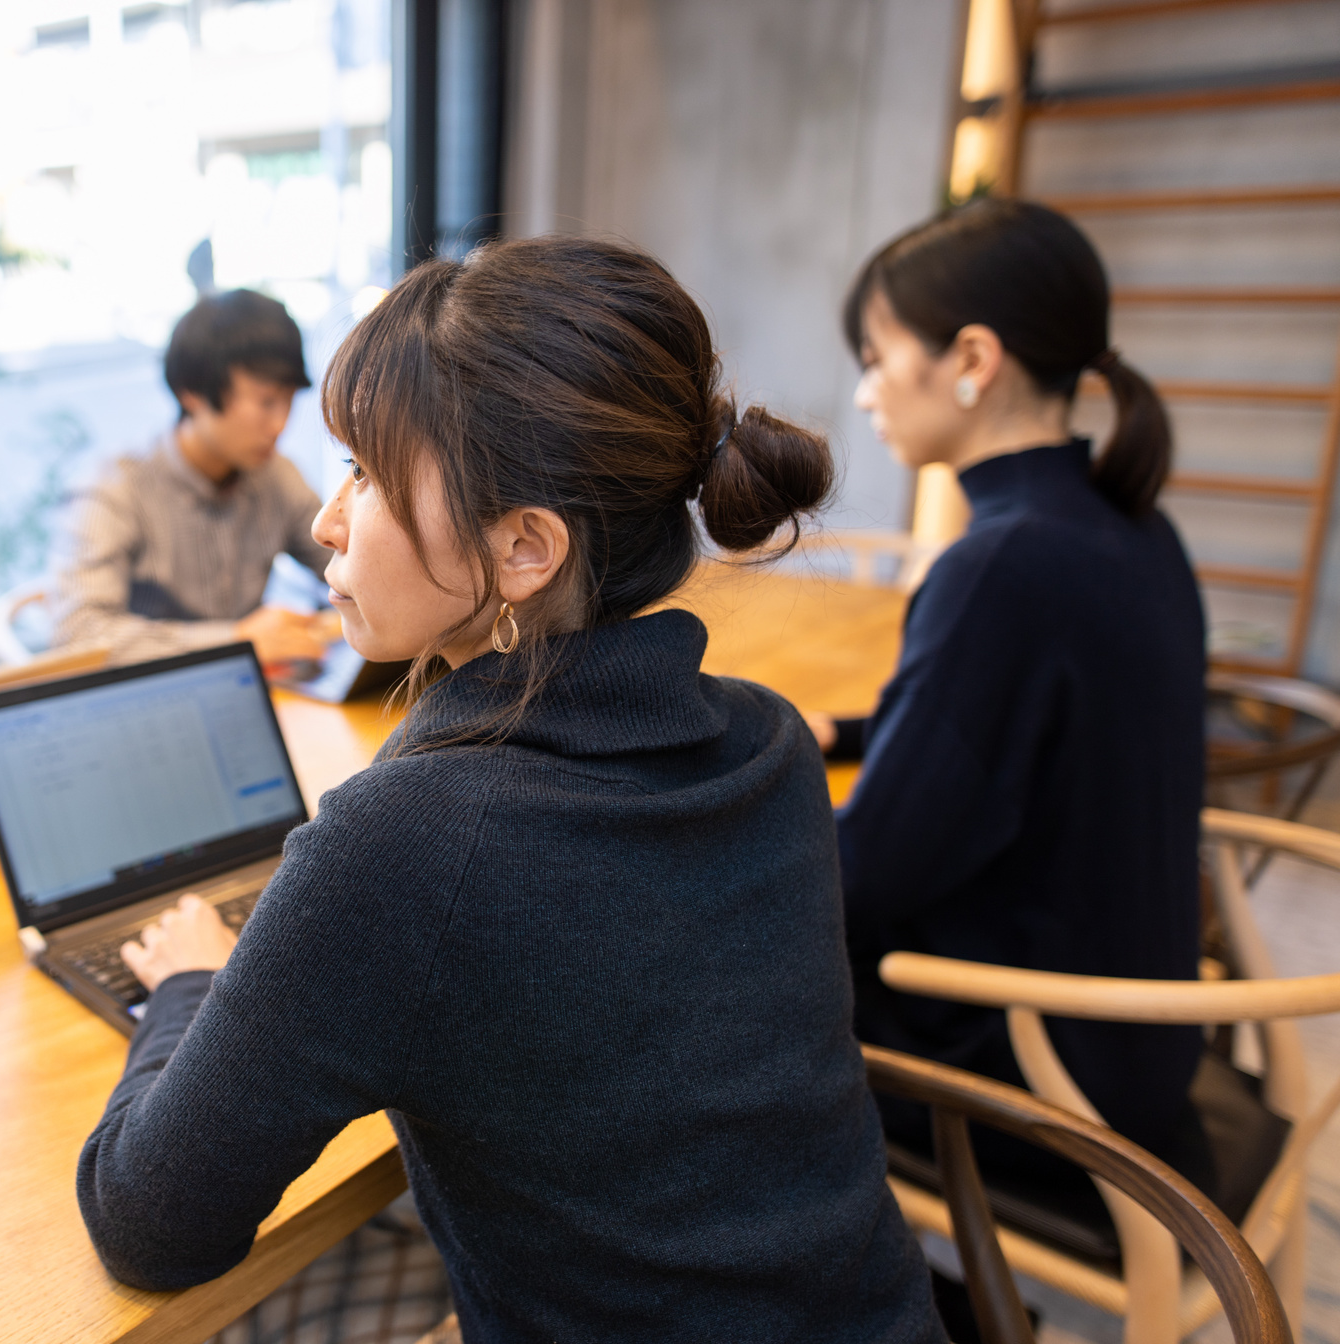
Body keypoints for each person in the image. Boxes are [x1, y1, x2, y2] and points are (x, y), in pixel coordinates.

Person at [75, 237, 945, 1343]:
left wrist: (196, 986)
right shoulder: (771, 744)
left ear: (525, 547)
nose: (325, 523)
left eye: (367, 477)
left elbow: (148, 1222)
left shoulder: (408, 843)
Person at [814, 199, 1210, 1197]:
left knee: (694, 980)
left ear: (973, 361)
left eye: (876, 356)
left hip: (1042, 1085)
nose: (865, 394)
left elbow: (868, 879)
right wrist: (850, 731)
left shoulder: (1004, 566)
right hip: (1135, 1042)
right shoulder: (1129, 525)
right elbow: (1055, 724)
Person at [52, 289, 338, 666]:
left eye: (289, 401)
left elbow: (343, 568)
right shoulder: (115, 489)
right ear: (192, 392)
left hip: (259, 692)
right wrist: (237, 642)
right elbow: (78, 635)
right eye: (266, 402)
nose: (280, 424)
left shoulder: (277, 477)